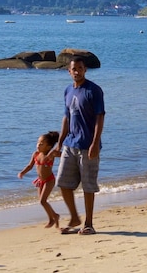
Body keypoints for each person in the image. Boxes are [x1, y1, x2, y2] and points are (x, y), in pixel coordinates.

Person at [53, 56, 105, 236]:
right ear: (69, 71)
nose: (77, 72)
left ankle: (89, 224)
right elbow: (66, 117)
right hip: (70, 143)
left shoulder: (94, 90)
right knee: (63, 183)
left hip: (87, 145)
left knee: (88, 186)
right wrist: (59, 143)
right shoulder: (67, 91)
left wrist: (95, 143)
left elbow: (100, 117)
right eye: (73, 69)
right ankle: (75, 217)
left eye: (80, 68)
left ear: (85, 70)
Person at [18, 130, 62, 228]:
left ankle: (52, 218)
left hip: (49, 180)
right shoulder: (36, 154)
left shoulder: (50, 154)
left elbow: (64, 154)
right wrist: (22, 172)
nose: (38, 145)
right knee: (41, 202)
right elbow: (30, 166)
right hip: (40, 181)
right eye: (38, 142)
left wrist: (58, 152)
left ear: (49, 146)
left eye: (41, 144)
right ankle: (54, 216)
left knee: (43, 201)